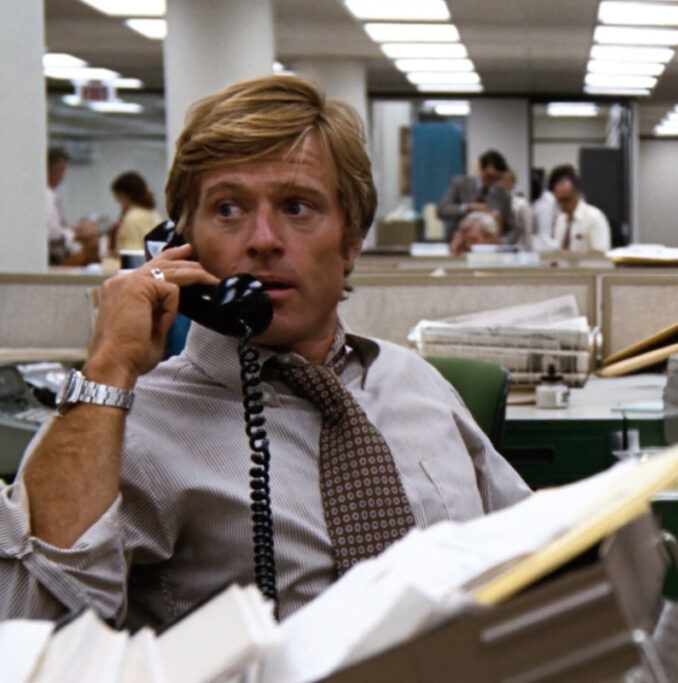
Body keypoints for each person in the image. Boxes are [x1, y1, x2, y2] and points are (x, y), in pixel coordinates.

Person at [0, 74, 530, 626]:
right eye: (228, 209)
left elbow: (536, 552)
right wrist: (108, 366)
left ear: (352, 240)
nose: (263, 240)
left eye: (297, 207)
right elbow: (18, 626)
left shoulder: (416, 383)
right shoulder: (125, 430)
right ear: (182, 243)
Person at [436, 149, 514, 243]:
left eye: (497, 179)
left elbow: (513, 229)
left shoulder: (502, 195)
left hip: (489, 246)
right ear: (480, 169)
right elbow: (442, 210)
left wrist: (501, 241)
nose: (492, 181)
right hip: (459, 244)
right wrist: (468, 207)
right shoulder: (461, 184)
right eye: (489, 176)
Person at [45, 147, 99, 265]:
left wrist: (74, 230)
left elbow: (55, 227)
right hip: (51, 259)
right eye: (61, 171)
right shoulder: (46, 195)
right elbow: (52, 233)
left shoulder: (50, 193)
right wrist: (77, 234)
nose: (62, 177)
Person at [549, 165, 611, 253]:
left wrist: (573, 257)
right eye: (559, 201)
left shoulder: (594, 217)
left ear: (577, 193)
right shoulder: (561, 220)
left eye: (566, 200)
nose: (562, 205)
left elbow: (601, 252)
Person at [110, 171, 163, 253]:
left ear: (124, 196)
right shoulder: (154, 215)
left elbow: (132, 252)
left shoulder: (131, 218)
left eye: (119, 199)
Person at [500, 169, 533, 251]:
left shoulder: (521, 205)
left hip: (517, 249)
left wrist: (528, 251)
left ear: (511, 183)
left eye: (503, 179)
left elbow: (527, 231)